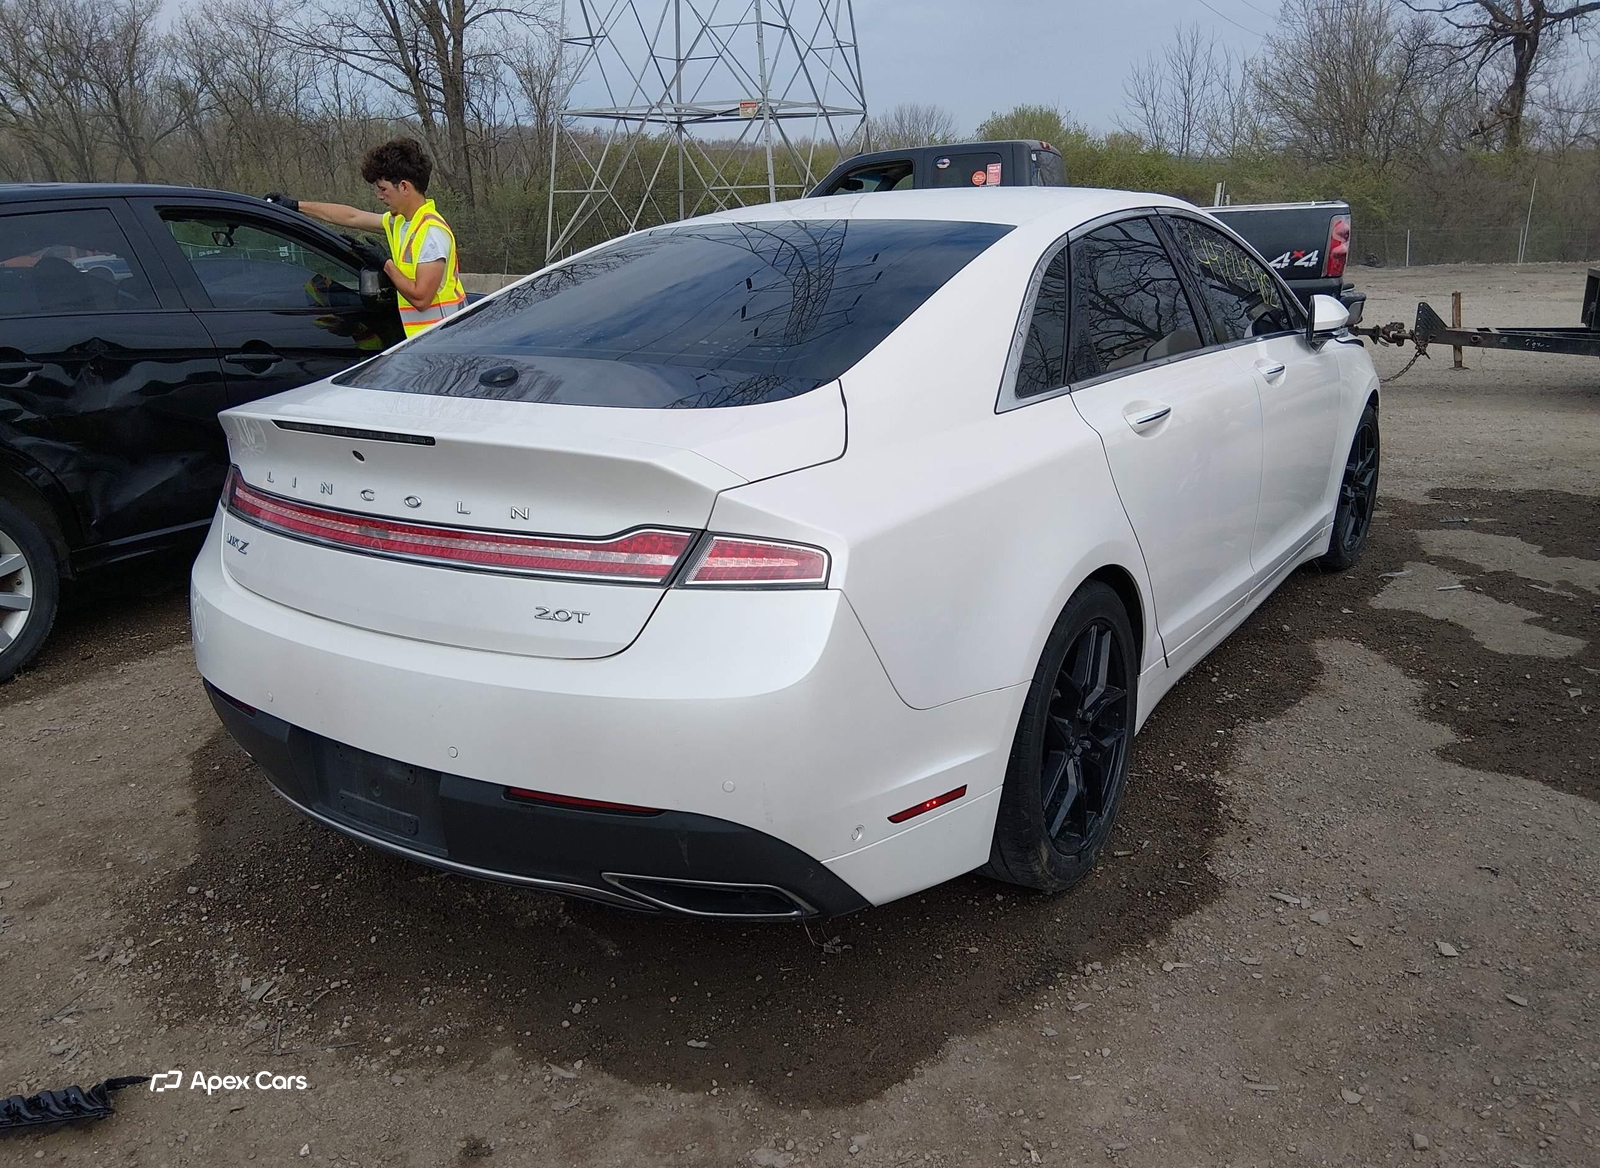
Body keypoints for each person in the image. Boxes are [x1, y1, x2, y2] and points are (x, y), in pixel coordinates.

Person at [266, 138, 465, 338]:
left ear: (404, 187)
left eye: (383, 189)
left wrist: (385, 263)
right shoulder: (401, 223)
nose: (379, 196)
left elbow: (421, 299)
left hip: (445, 342)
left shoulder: (431, 232)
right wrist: (296, 206)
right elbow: (352, 216)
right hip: (425, 340)